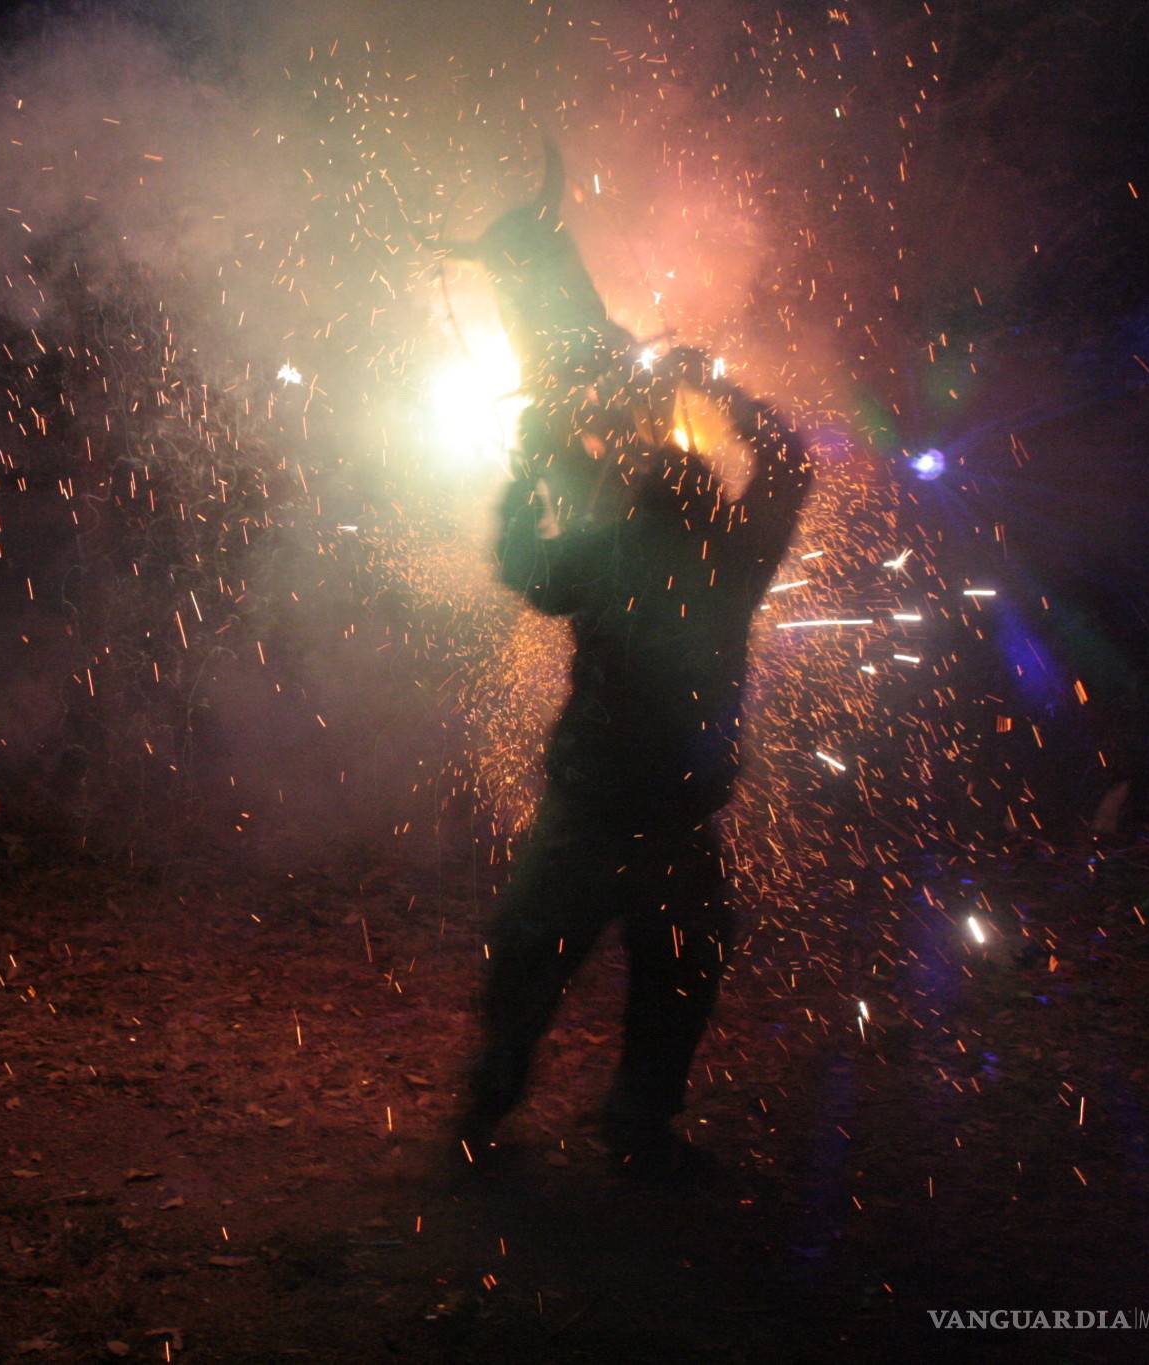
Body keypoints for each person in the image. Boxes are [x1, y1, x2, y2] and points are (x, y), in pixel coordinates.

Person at [450, 143, 813, 1173]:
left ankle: (495, 1109)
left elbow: (524, 567)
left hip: (607, 802)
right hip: (660, 803)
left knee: (541, 961)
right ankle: (618, 1119)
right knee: (671, 970)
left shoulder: (607, 554)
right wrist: (717, 389)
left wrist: (526, 471)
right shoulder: (732, 558)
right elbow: (787, 462)